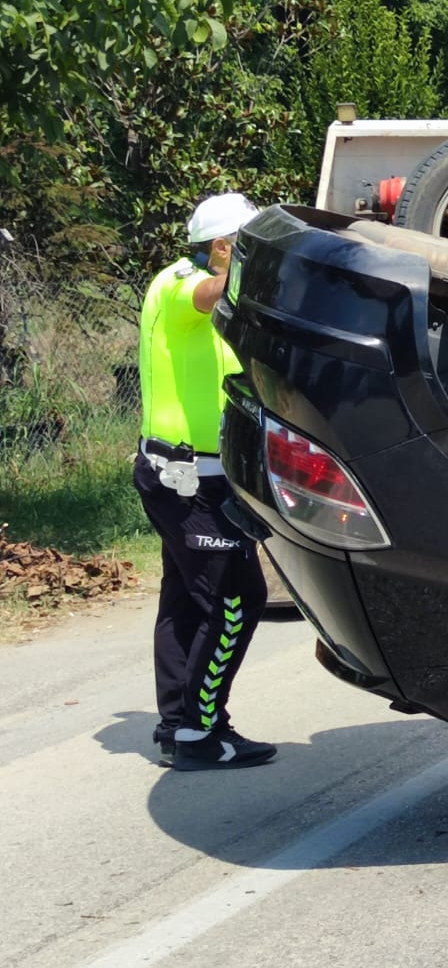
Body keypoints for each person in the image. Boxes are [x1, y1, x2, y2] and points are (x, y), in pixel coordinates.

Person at [135, 192, 275, 771]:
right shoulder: (179, 284)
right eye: (248, 244)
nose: (255, 255)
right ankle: (199, 731)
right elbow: (203, 293)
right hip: (186, 479)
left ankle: (179, 724)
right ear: (221, 247)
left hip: (194, 476)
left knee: (186, 601)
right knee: (236, 599)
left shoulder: (214, 298)